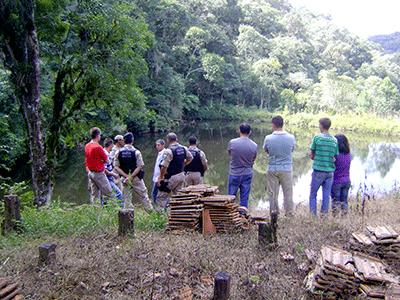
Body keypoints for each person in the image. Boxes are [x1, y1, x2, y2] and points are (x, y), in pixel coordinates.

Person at [263, 116, 296, 216]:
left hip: (273, 168)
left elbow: (266, 150)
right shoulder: (291, 137)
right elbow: (292, 150)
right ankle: (289, 214)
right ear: (283, 124)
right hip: (286, 169)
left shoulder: (268, 138)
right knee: (288, 193)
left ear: (273, 124)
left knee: (273, 194)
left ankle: (274, 214)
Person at [113, 132, 153, 211]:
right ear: (132, 141)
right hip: (136, 178)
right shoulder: (136, 152)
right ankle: (151, 214)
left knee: (126, 199)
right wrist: (130, 177)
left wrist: (126, 176)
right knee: (144, 197)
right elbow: (140, 166)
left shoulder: (118, 152)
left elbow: (116, 167)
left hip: (124, 179)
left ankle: (127, 218)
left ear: (124, 141)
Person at [309, 118, 339, 216]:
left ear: (321, 125)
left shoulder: (317, 138)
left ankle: (313, 216)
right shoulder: (334, 140)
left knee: (313, 194)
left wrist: (316, 157)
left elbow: (311, 154)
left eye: (319, 124)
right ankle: (324, 216)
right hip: (330, 172)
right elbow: (335, 156)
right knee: (326, 195)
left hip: (318, 170)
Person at [156, 133, 193, 211]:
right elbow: (190, 158)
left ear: (168, 140)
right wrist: (184, 164)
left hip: (171, 177)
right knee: (178, 197)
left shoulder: (169, 151)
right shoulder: (184, 148)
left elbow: (164, 166)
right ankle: (179, 214)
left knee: (161, 197)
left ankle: (160, 218)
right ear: (177, 139)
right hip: (181, 175)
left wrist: (161, 178)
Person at [227, 123, 258, 209]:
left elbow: (230, 154)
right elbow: (254, 158)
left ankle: (230, 215)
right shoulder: (254, 145)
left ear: (239, 131)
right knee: (244, 198)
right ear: (250, 132)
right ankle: (243, 217)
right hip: (247, 173)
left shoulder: (232, 142)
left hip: (234, 172)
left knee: (231, 197)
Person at [84, 127, 112, 204]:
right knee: (109, 193)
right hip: (99, 173)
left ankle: (96, 213)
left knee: (95, 196)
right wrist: (102, 161)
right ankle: (110, 211)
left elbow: (87, 159)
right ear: (98, 135)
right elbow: (108, 161)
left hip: (90, 173)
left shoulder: (87, 146)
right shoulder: (98, 147)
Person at [331, 134, 351, 215]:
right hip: (347, 181)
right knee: (344, 202)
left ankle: (335, 219)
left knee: (335, 202)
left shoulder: (335, 155)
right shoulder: (349, 155)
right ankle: (344, 218)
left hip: (336, 181)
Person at [103, 137, 123, 203]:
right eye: (113, 145)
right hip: (107, 179)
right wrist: (114, 174)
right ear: (111, 145)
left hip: (108, 178)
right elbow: (104, 169)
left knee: (106, 198)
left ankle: (106, 211)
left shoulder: (106, 153)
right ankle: (122, 211)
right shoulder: (105, 154)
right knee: (119, 195)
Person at [152, 139, 166, 204]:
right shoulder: (159, 153)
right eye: (156, 145)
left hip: (160, 177)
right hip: (156, 177)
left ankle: (158, 208)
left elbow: (163, 166)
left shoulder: (164, 153)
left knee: (156, 194)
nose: (157, 146)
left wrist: (160, 177)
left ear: (163, 145)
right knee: (155, 193)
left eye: (158, 145)